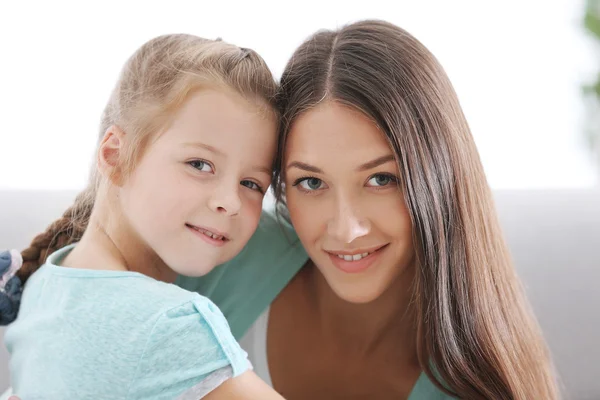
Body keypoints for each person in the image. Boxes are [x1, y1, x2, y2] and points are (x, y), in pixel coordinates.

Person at [3, 19, 560, 400]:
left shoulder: (475, 380)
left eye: (382, 178)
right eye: (311, 181)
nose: (346, 228)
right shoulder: (208, 252)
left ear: (439, 176)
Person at [0, 33, 285, 399]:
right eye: (200, 164)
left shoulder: (45, 283)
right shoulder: (170, 326)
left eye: (251, 183)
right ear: (115, 155)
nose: (230, 202)